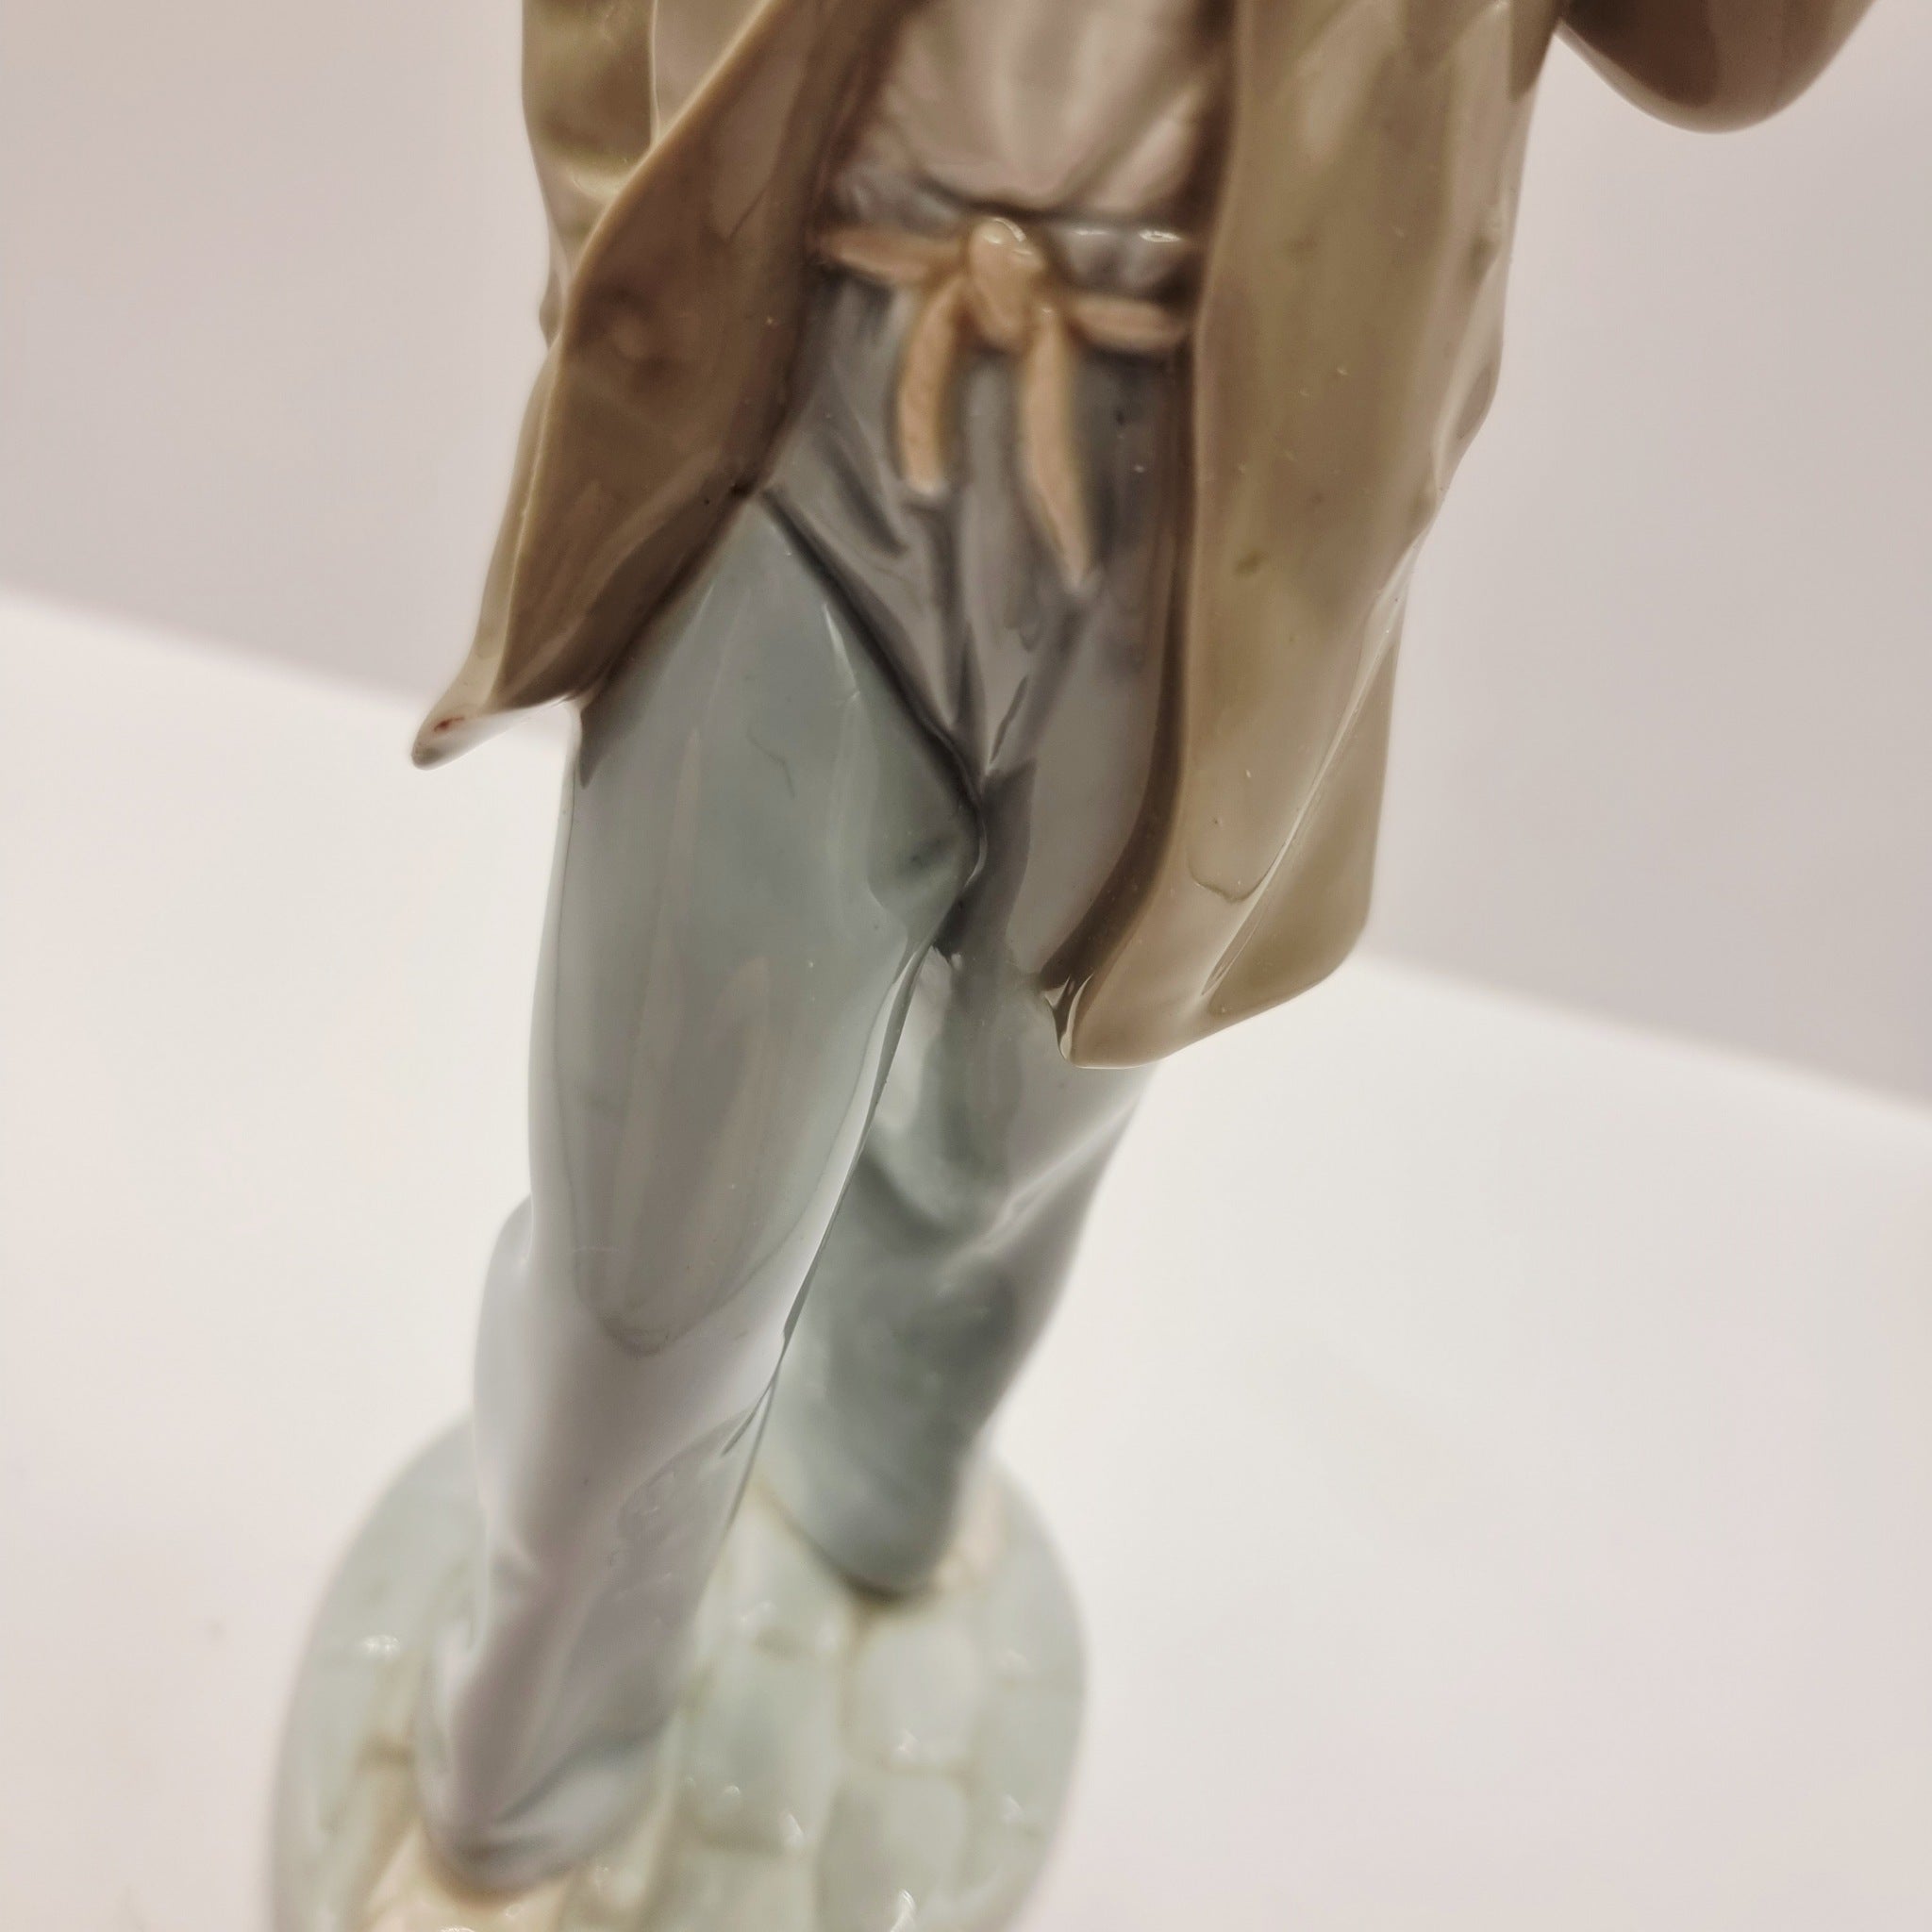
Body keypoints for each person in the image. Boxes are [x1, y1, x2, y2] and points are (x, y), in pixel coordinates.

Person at [399, 0, 1876, 1900]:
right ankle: (515, 1797)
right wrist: (617, 268)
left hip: (1216, 484)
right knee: (643, 1274)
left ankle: (874, 1523)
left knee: (994, 1162)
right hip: (800, 392)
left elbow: (1727, 52)